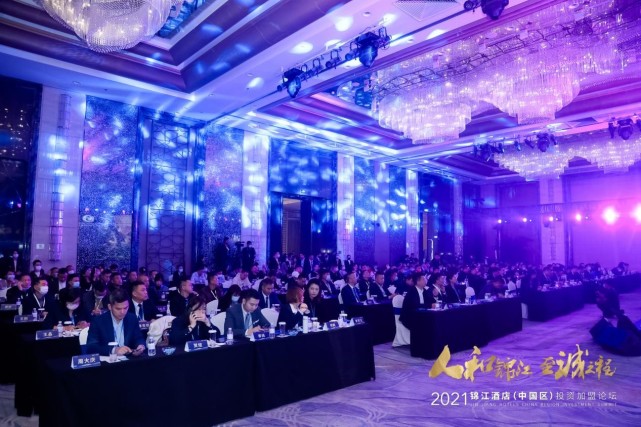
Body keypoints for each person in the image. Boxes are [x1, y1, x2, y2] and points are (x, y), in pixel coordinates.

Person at [86, 289, 145, 356]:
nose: (122, 312)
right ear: (110, 307)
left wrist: (140, 346)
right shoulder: (98, 321)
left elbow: (138, 338)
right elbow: (91, 346)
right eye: (118, 309)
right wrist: (114, 350)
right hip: (108, 360)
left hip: (129, 359)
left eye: (125, 308)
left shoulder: (132, 318)